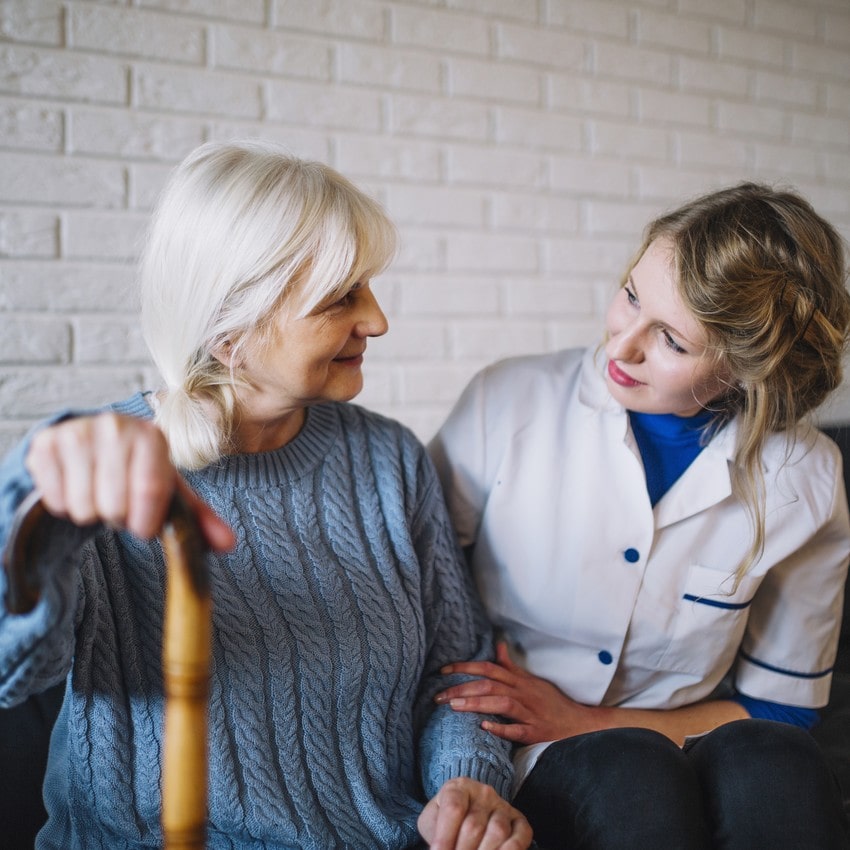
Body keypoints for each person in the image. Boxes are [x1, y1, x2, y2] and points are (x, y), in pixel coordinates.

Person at [0, 140, 532, 850]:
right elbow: (12, 672)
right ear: (230, 329)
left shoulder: (388, 459)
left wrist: (467, 787)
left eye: (368, 288)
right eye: (342, 297)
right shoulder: (105, 474)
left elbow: (456, 679)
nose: (376, 321)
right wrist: (41, 514)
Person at [428, 182, 850, 849]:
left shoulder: (808, 476)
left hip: (695, 736)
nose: (620, 347)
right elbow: (417, 599)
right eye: (630, 295)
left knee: (781, 764)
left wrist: (579, 718)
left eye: (672, 342)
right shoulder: (505, 401)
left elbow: (781, 704)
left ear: (747, 369)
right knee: (630, 773)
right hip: (534, 753)